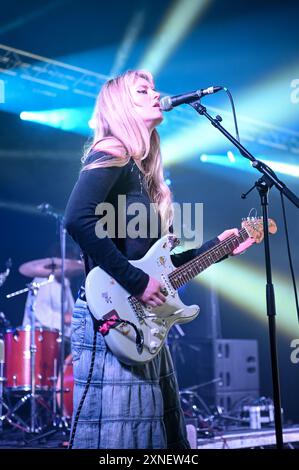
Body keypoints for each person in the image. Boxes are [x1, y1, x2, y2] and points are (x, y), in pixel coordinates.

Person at [64, 69, 254, 449]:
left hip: (140, 323)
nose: (157, 94)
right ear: (121, 105)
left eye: (153, 88)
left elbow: (156, 266)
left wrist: (214, 249)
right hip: (115, 318)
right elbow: (76, 219)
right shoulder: (113, 149)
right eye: (143, 90)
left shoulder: (141, 174)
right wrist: (135, 282)